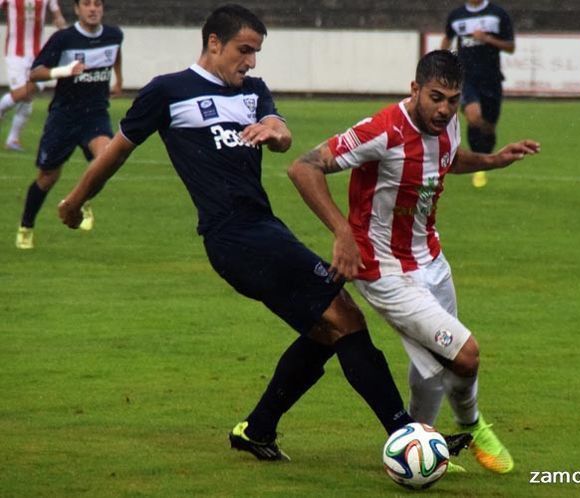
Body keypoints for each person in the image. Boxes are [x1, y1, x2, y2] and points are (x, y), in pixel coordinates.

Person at [57, 5, 472, 462]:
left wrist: (276, 131)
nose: (251, 62)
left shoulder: (253, 91)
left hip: (264, 227)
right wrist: (75, 201)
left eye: (256, 52)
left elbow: (284, 134)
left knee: (326, 330)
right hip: (231, 236)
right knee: (344, 319)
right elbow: (116, 152)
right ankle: (408, 435)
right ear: (213, 43)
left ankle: (258, 429)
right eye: (244, 50)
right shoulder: (168, 92)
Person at [287, 49, 539, 473]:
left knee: (433, 368)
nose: (444, 109)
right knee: (465, 356)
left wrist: (493, 160)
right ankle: (473, 426)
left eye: (452, 100)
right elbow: (303, 167)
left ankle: (423, 451)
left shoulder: (449, 124)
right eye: (435, 97)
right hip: (384, 271)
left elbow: (448, 158)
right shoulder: (382, 130)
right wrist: (343, 233)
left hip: (432, 260)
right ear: (415, 89)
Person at [15, 0, 122, 249]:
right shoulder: (64, 39)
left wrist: (119, 79)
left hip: (95, 115)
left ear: (102, 9)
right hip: (63, 117)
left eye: (97, 4)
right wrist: (64, 71)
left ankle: (80, 200)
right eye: (87, 4)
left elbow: (116, 53)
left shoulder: (114, 35)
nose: (93, 9)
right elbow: (35, 72)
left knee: (106, 159)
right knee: (48, 176)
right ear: (77, 10)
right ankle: (26, 225)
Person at [441, 0, 515, 189]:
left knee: (488, 127)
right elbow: (447, 39)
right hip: (466, 78)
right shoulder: (456, 16)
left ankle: (483, 161)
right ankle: (477, 167)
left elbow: (510, 47)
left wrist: (487, 39)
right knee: (474, 117)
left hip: (491, 79)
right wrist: (441, 61)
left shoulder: (497, 14)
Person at [0, 0, 66, 151]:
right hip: (14, 54)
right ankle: (11, 134)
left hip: (38, 55)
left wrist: (64, 30)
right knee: (22, 94)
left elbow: (57, 15)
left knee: (30, 94)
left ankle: (12, 139)